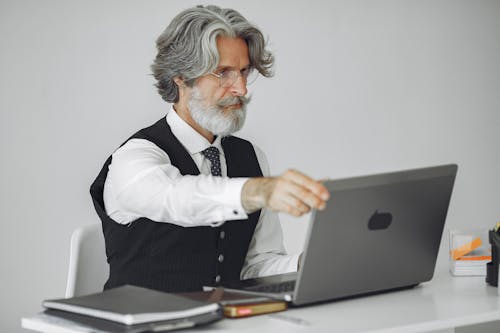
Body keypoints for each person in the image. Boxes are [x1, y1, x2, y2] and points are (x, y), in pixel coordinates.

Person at [90, 5, 329, 293]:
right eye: (223, 72)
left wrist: (310, 263)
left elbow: (254, 267)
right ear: (181, 77)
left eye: (243, 71)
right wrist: (258, 191)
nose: (240, 88)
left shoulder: (251, 157)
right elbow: (176, 197)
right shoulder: (134, 159)